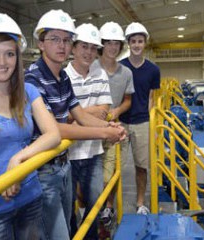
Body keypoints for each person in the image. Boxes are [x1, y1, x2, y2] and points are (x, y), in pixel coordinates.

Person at [25, 9, 126, 240]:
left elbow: (78, 113)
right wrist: (103, 132)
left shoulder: (63, 77)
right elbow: (54, 128)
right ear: (40, 44)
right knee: (59, 234)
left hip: (63, 162)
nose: (62, 46)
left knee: (72, 227)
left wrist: (109, 128)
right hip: (43, 169)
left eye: (67, 40)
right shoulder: (33, 78)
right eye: (54, 39)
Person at [0, 11, 61, 240]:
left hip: (29, 197)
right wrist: (0, 182)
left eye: (9, 54)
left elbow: (53, 134)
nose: (2, 63)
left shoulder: (27, 92)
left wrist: (18, 160)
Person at [64, 23, 112, 239]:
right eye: (84, 46)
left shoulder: (100, 74)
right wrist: (86, 113)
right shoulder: (63, 76)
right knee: (67, 208)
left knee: (94, 203)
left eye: (93, 48)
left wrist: (77, 114)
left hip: (93, 151)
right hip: (66, 154)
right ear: (73, 48)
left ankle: (90, 237)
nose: (89, 52)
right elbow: (60, 118)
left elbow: (104, 111)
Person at [94, 21, 135, 227]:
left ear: (120, 46)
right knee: (91, 172)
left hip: (114, 128)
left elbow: (128, 100)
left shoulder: (126, 73)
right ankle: (93, 206)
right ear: (102, 44)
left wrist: (115, 112)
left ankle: (108, 207)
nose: (112, 47)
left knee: (112, 172)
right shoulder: (91, 68)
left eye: (116, 43)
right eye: (108, 43)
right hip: (90, 130)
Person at [119, 22, 160, 214]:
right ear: (128, 43)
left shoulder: (153, 70)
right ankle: (110, 205)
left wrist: (152, 128)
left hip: (142, 122)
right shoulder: (120, 67)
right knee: (114, 167)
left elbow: (151, 98)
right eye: (133, 41)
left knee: (141, 166)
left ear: (145, 43)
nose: (136, 45)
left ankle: (140, 202)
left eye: (140, 41)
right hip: (120, 122)